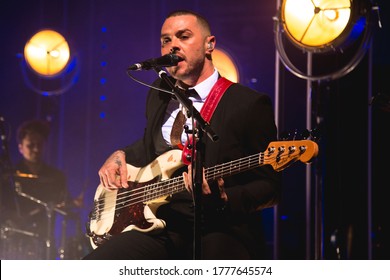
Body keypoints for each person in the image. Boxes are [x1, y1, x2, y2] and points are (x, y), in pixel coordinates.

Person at [84, 9, 281, 260]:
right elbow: (149, 147)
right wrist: (119, 154)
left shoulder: (248, 104)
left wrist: (223, 198)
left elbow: (270, 187)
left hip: (222, 227)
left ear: (210, 44)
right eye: (166, 40)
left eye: (183, 36)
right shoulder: (159, 91)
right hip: (162, 224)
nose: (172, 46)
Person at [2, 119, 69, 259]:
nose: (36, 149)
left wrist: (71, 204)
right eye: (30, 145)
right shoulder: (9, 176)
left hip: (45, 242)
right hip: (13, 240)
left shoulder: (56, 176)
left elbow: (65, 203)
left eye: (39, 144)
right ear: (20, 147)